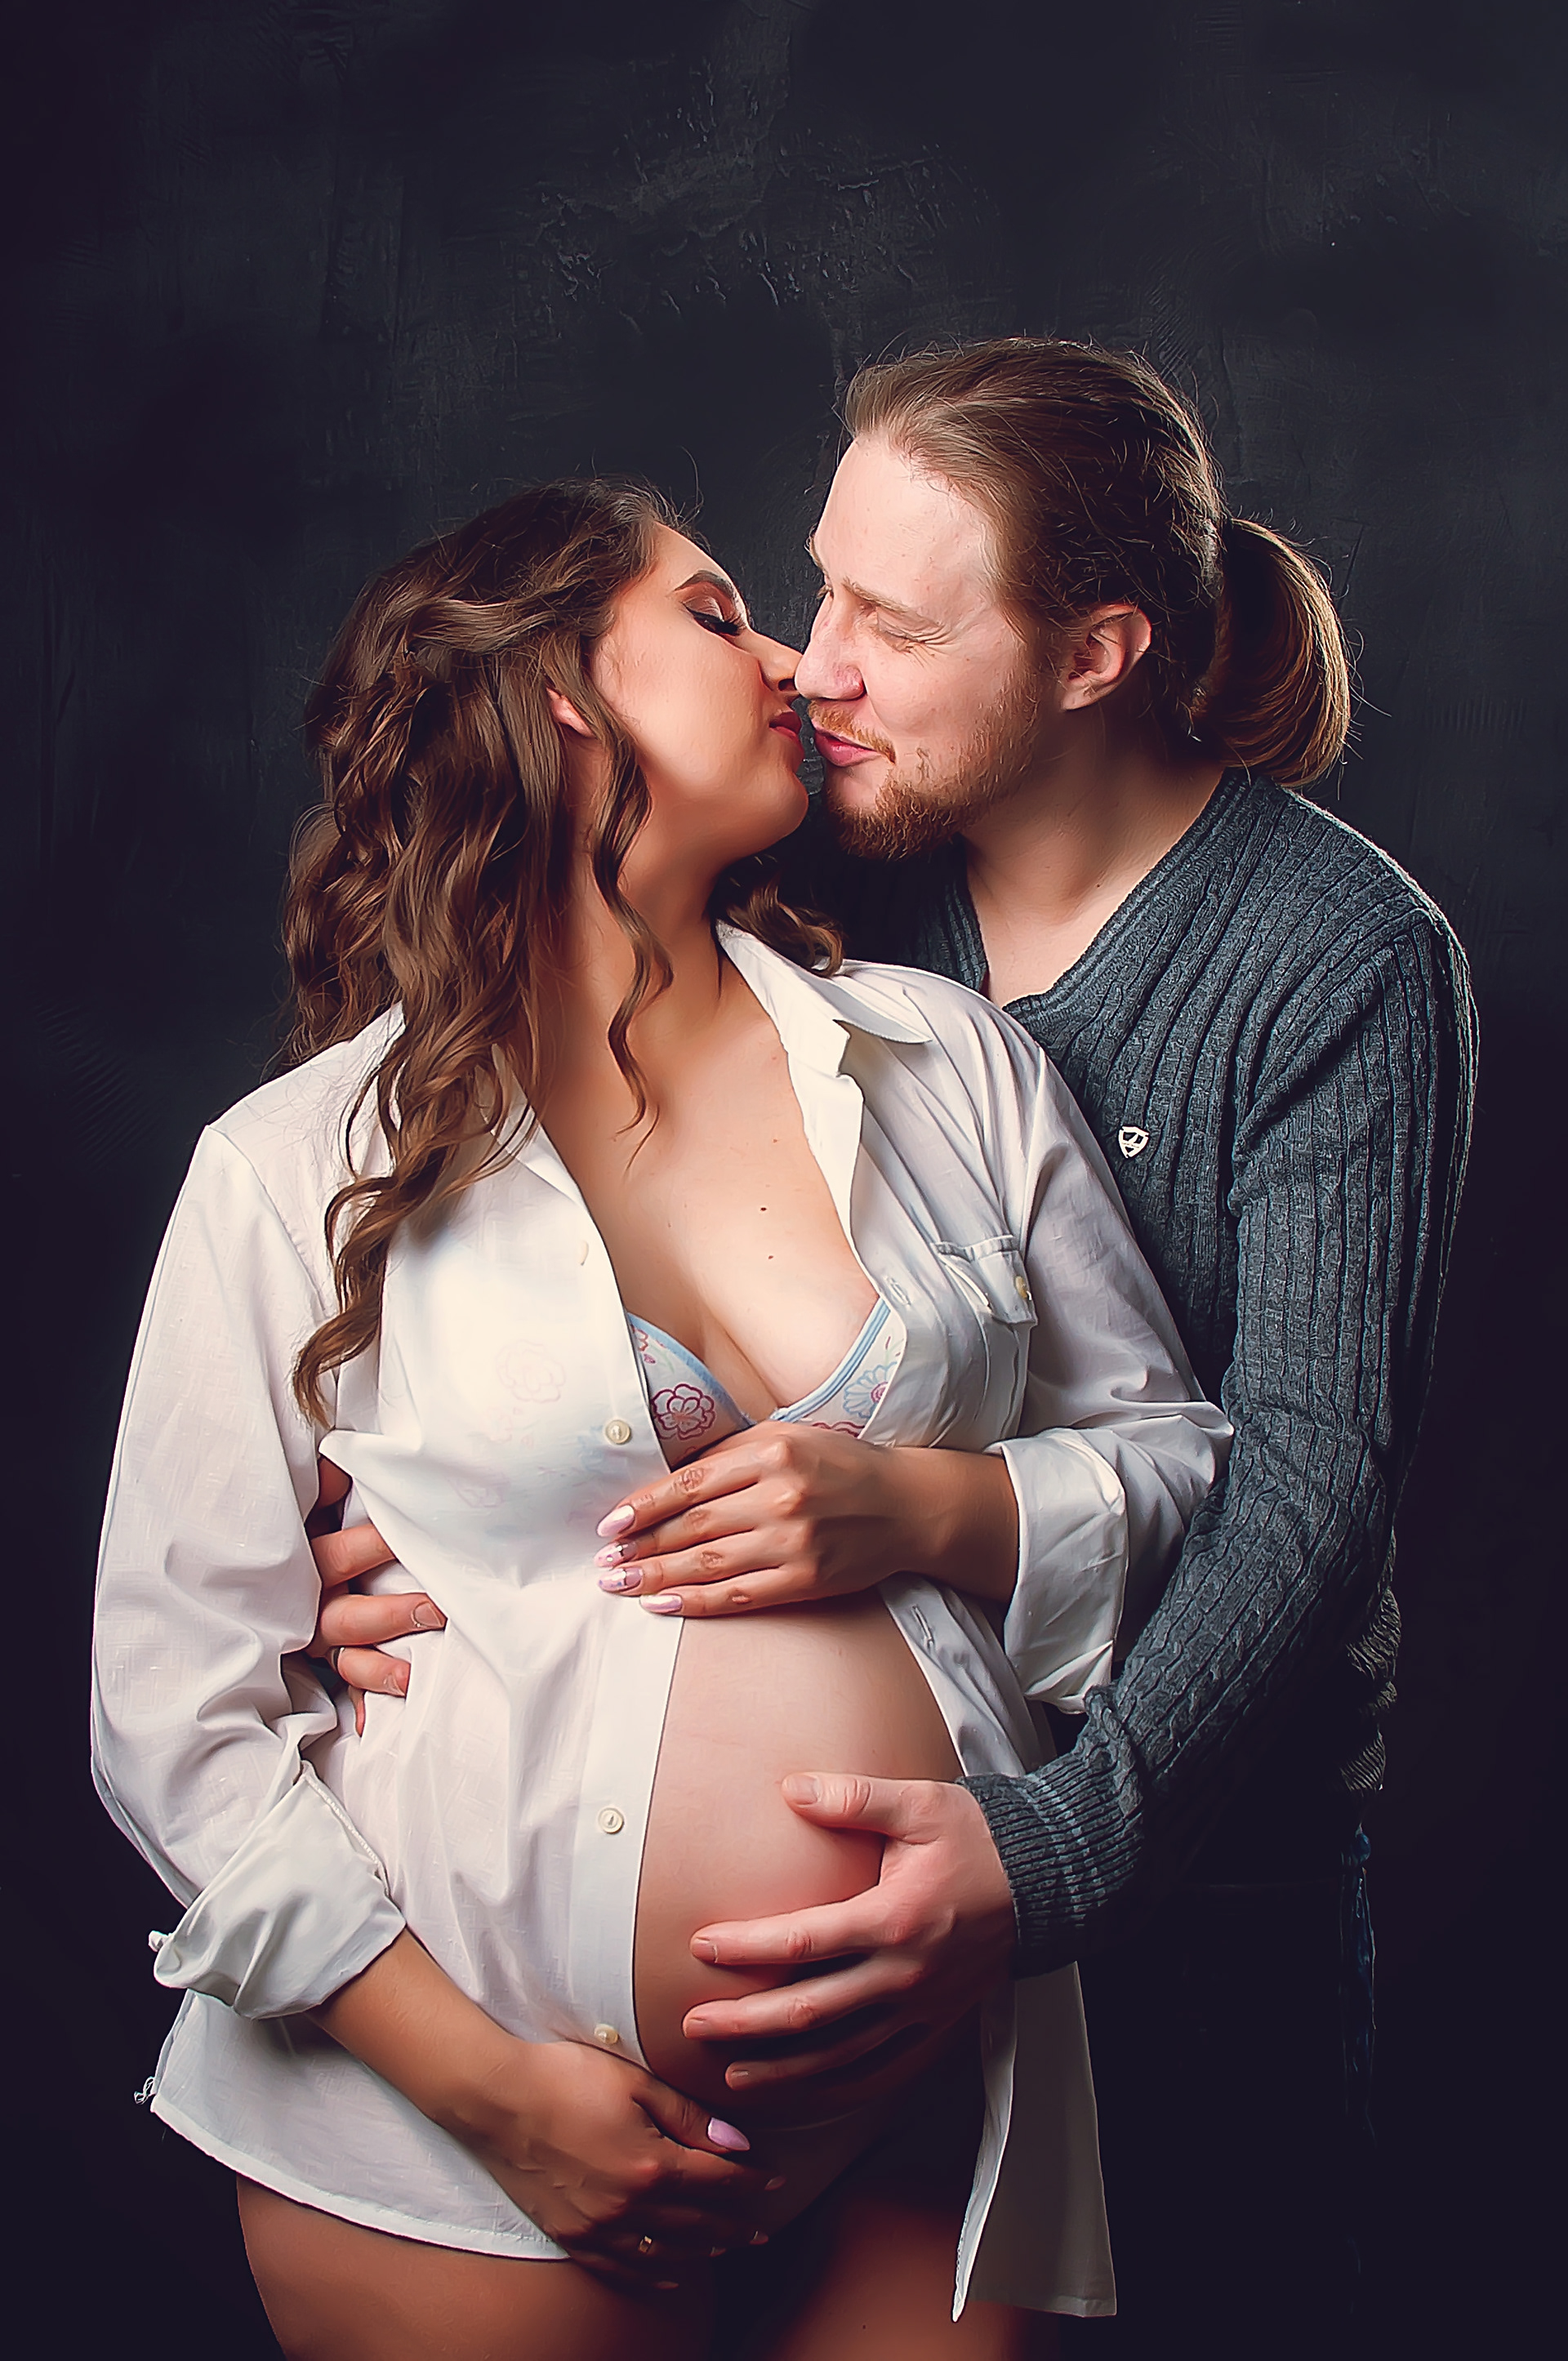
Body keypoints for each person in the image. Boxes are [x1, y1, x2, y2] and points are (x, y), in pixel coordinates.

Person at [322, 338, 1477, 2354]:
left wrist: (1056, 1850)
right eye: (817, 586)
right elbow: (514, 1178)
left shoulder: (1335, 958)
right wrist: (398, 1547)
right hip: (722, 2011)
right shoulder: (814, 867)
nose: (814, 665)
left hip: (1198, 1894)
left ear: (1097, 655)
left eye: (898, 626)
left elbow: (1311, 1478)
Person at [91, 477, 1229, 2359]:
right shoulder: (297, 1167)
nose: (794, 660)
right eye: (715, 615)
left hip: (929, 2104)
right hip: (454, 2131)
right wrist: (487, 2093)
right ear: (557, 692)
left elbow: (1184, 1468)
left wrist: (926, 1509)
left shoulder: (949, 1068)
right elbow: (173, 1714)